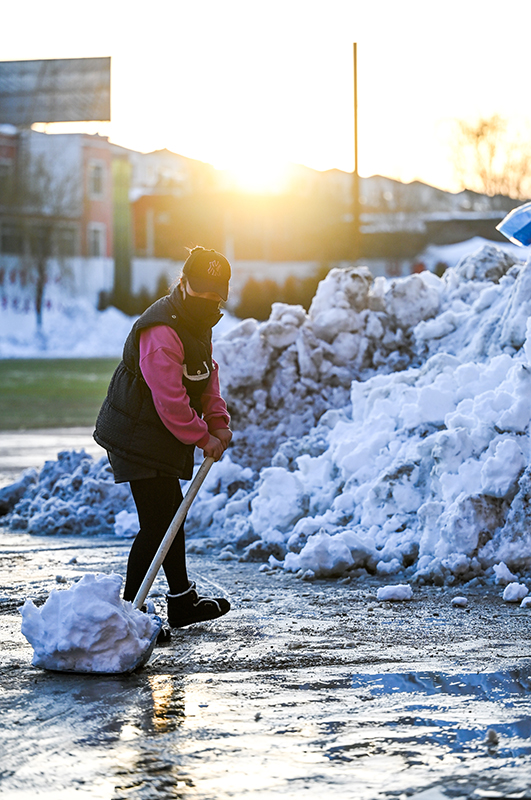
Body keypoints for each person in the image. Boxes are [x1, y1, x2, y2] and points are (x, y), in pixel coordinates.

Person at [94, 246, 232, 632]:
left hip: (159, 434)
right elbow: (170, 401)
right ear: (183, 283)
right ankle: (130, 617)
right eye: (201, 289)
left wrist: (217, 419)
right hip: (135, 434)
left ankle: (181, 601)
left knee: (172, 518)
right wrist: (204, 437)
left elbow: (206, 375)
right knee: (157, 526)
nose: (208, 299)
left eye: (215, 293)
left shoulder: (197, 322)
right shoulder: (161, 330)